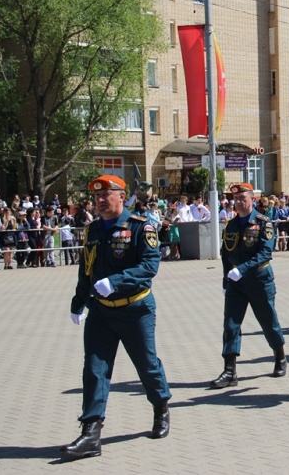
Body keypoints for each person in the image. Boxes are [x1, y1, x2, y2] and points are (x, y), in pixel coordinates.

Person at [61, 175, 171, 459]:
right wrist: (79, 302)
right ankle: (91, 433)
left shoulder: (140, 227)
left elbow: (150, 265)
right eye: (96, 196)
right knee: (95, 370)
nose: (99, 200)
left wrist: (117, 281)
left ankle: (161, 407)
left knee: (147, 366)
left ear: (121, 196)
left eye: (106, 195)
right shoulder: (93, 230)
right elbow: (86, 268)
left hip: (135, 309)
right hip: (101, 312)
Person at [210, 183, 287, 389]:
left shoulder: (263, 223)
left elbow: (265, 253)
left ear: (252, 199)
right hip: (237, 282)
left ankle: (279, 356)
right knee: (231, 324)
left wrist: (242, 269)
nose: (239, 202)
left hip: (259, 279)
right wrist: (226, 280)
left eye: (243, 198)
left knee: (268, 321)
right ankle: (229, 370)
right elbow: (226, 253)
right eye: (236, 199)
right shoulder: (232, 225)